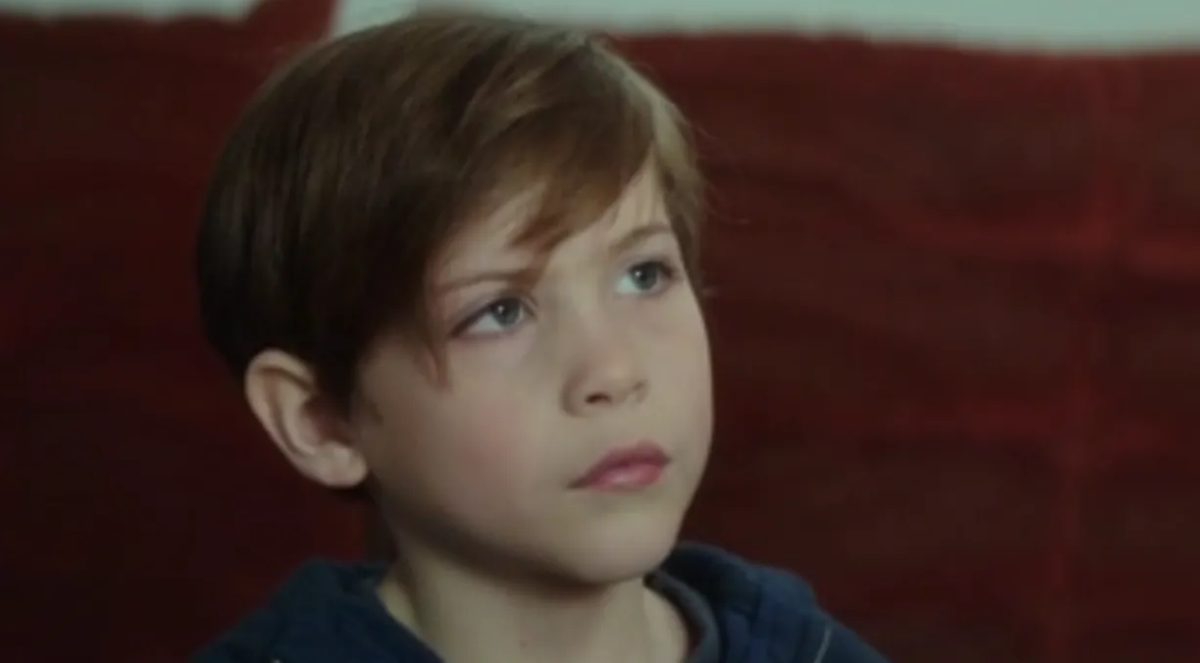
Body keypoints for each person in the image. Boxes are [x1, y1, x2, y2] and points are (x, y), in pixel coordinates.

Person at [192, 10, 890, 663]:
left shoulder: (802, 647)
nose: (613, 371)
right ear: (321, 420)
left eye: (644, 275)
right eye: (500, 312)